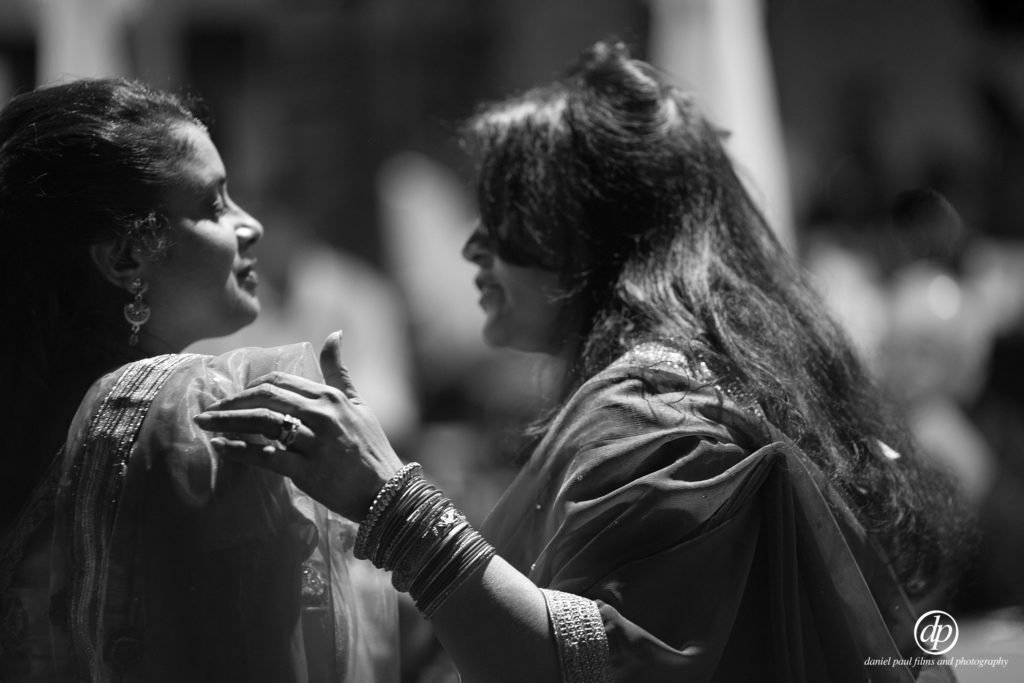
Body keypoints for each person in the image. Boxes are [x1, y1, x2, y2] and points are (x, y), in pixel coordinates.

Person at [197, 42, 971, 682]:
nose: (472, 246)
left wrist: (390, 502)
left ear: (590, 233)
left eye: (505, 217)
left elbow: (591, 665)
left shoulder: (654, 418)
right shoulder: (677, 383)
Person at [0, 78, 397, 682]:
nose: (250, 225)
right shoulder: (187, 421)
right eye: (214, 205)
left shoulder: (28, 420)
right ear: (127, 256)